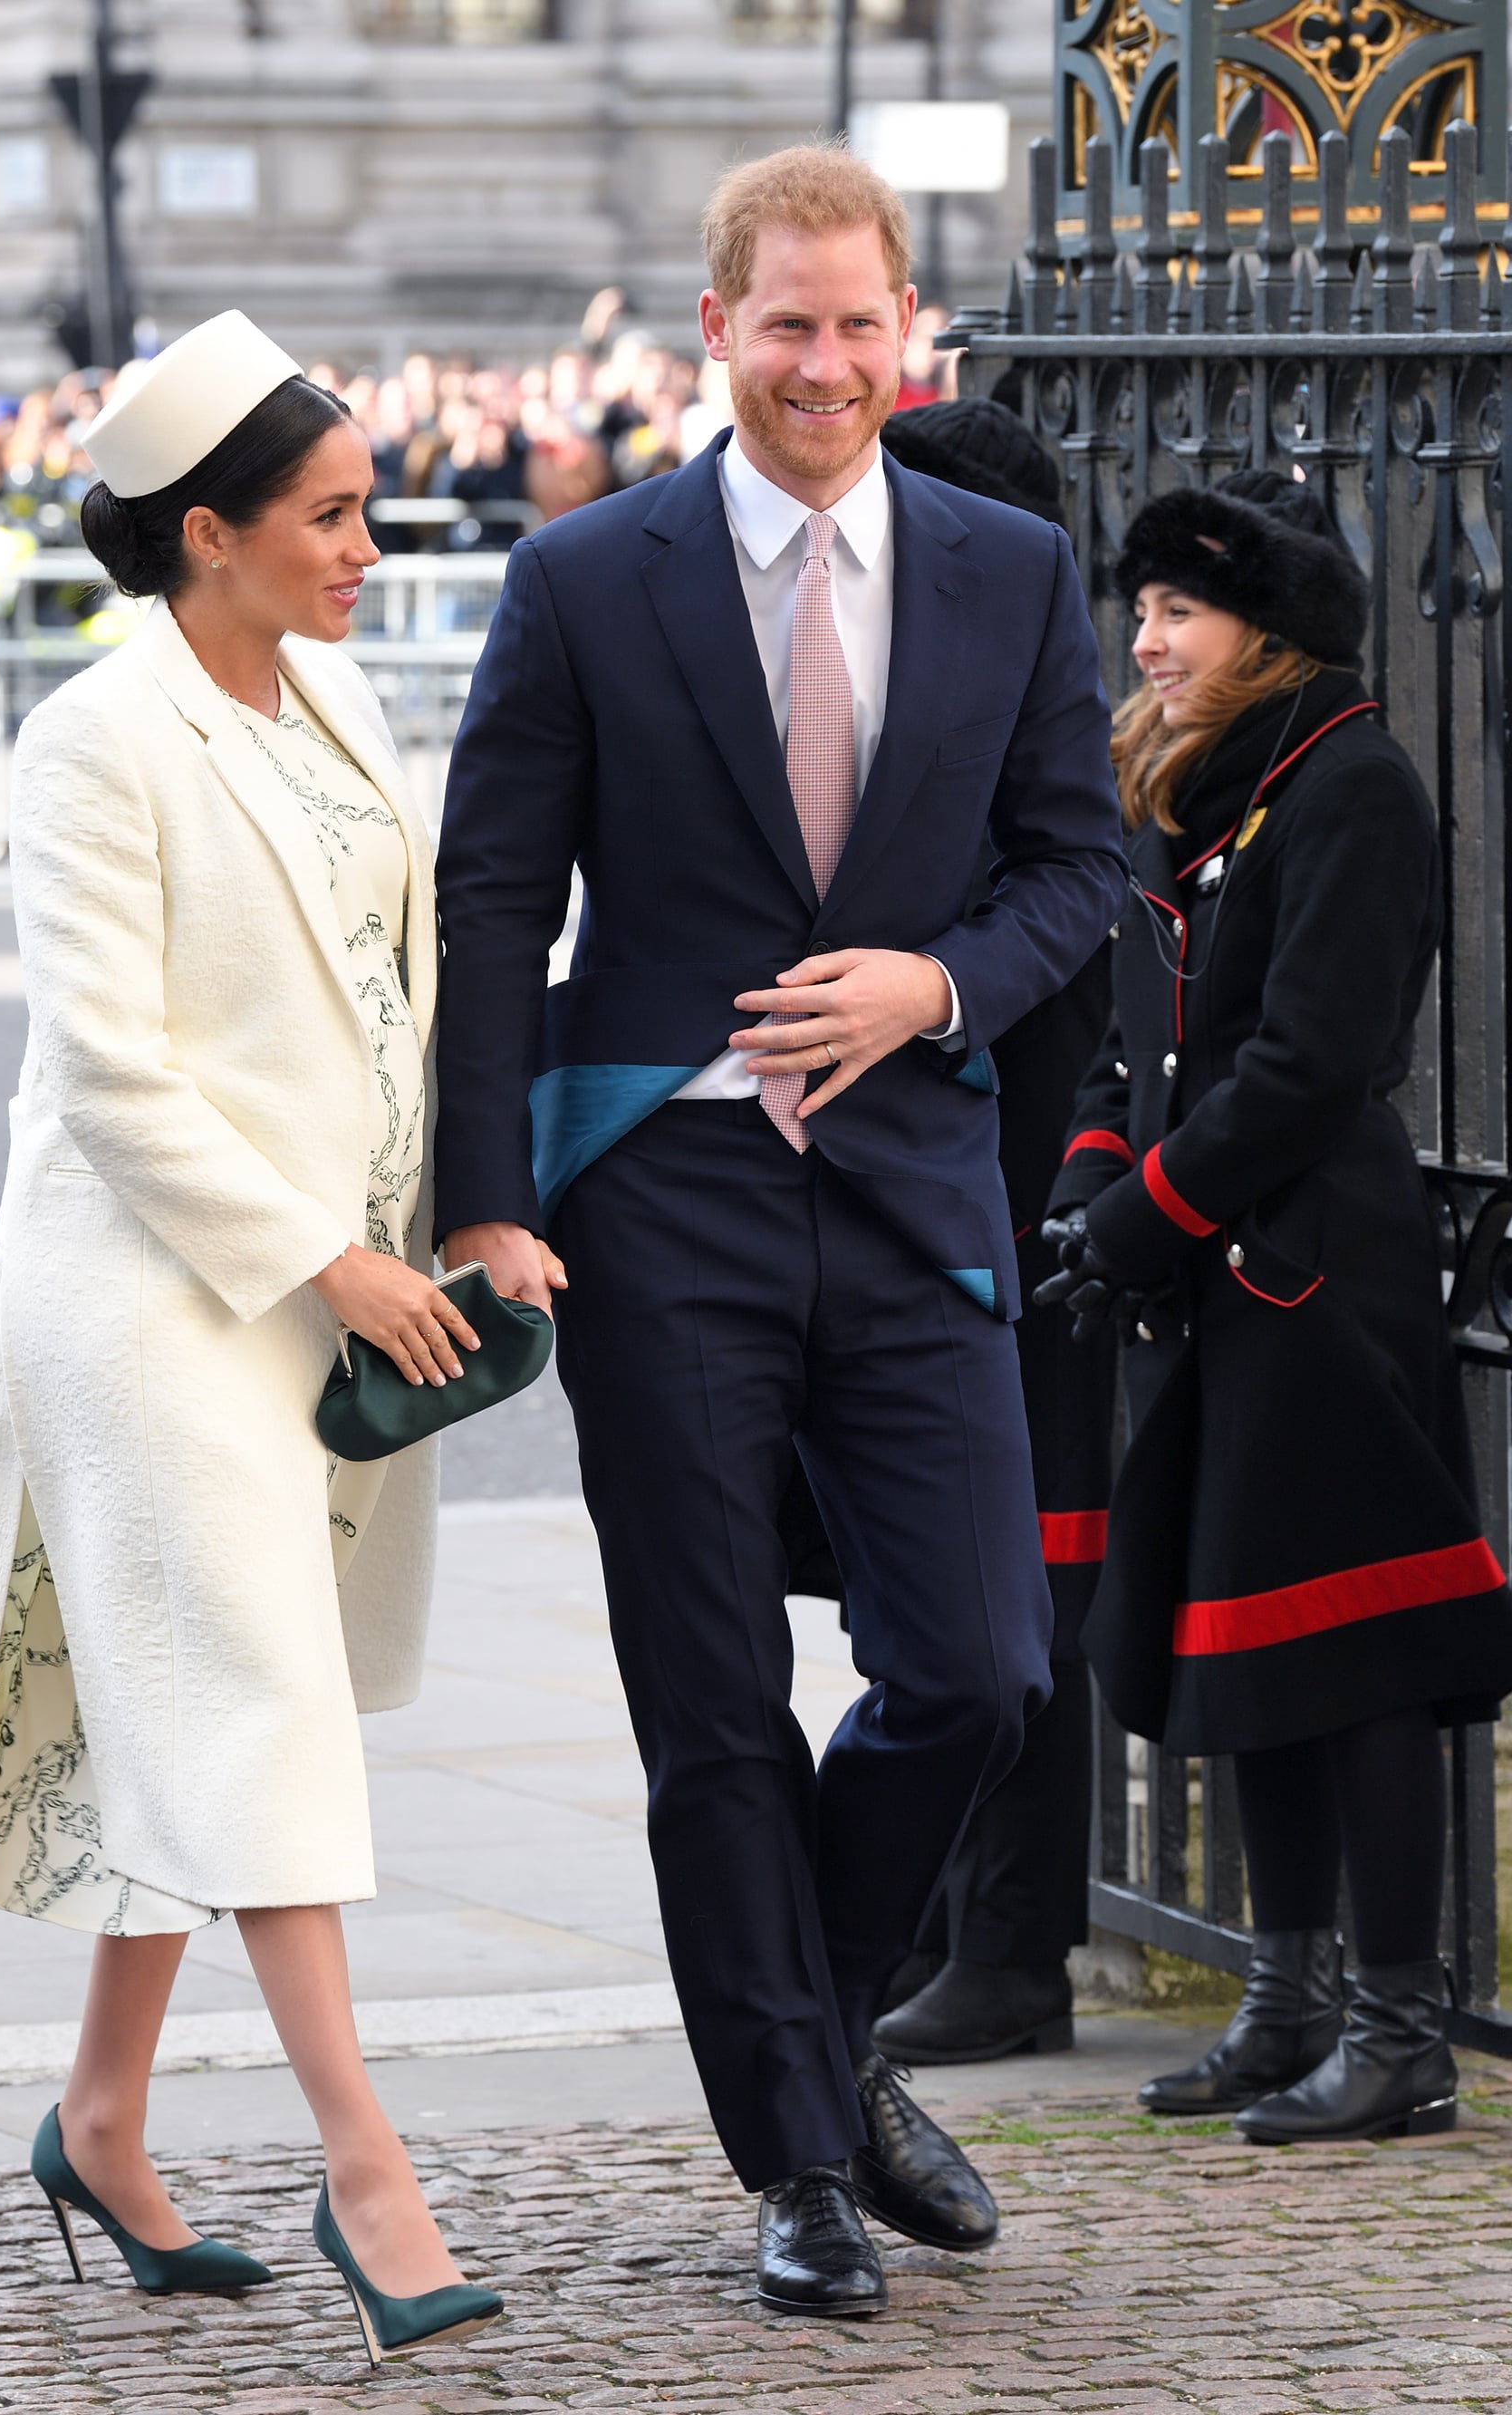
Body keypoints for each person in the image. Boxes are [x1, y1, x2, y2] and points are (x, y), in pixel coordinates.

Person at [434, 144, 1125, 2315]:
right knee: (713, 1699)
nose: (824, 364)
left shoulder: (1009, 570)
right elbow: (487, 899)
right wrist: (481, 1195)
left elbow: (1075, 864)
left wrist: (941, 984)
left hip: (909, 1183)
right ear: (714, 326)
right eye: (785, 323)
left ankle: (806, 2044)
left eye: (858, 323)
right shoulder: (584, 577)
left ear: (903, 324)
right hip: (664, 1195)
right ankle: (798, 2160)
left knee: (978, 1668)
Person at [0, 311, 501, 2363]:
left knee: (190, 1711)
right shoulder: (94, 737)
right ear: (205, 532)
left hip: (325, 1298)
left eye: (367, 510)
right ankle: (364, 2166)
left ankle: (102, 2118)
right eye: (329, 516)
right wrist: (326, 1255)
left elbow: (409, 986)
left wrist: (462, 1224)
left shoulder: (339, 705)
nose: (367, 548)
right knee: (256, 1707)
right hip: (149, 1303)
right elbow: (112, 1078)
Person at [1038, 472, 1512, 2144]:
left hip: (1312, 1270)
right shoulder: (1196, 786)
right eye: (1144, 608)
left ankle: (1396, 2035)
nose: (1146, 639)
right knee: (1244, 1647)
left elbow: (1311, 1065)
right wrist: (1093, 1180)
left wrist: (1145, 1219)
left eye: (1178, 609)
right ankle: (1285, 1995)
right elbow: (1135, 1040)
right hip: (1213, 1269)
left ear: (1267, 627)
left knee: (1354, 1655)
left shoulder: (1349, 783)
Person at [860, 398, 1116, 2066]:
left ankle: (1015, 1943)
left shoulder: (1030, 718)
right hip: (928, 1221)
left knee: (1022, 1605)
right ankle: (947, 1917)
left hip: (1034, 1222)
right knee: (933, 1605)